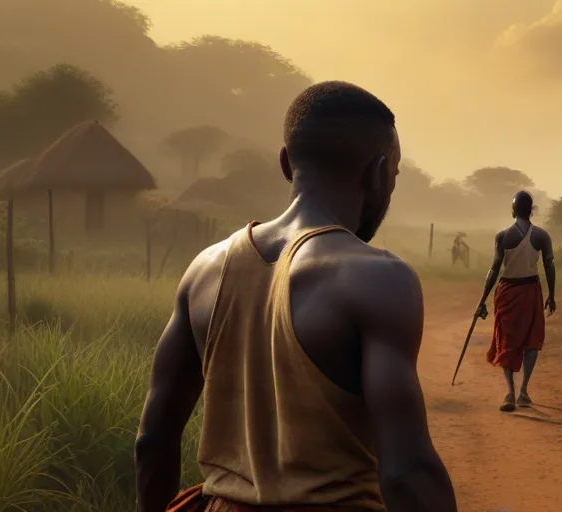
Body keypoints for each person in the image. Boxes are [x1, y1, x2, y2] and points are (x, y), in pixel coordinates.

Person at [134, 81, 457, 512]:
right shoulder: (380, 277)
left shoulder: (204, 270)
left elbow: (153, 439)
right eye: (393, 175)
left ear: (286, 163)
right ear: (378, 172)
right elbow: (406, 473)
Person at [474, 191, 555, 412]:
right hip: (531, 291)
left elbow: (494, 269)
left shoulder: (503, 236)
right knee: (532, 340)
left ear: (513, 210)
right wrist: (552, 295)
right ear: (532, 210)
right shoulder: (541, 236)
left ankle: (510, 392)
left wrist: (482, 300)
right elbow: (549, 266)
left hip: (507, 292)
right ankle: (523, 392)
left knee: (506, 342)